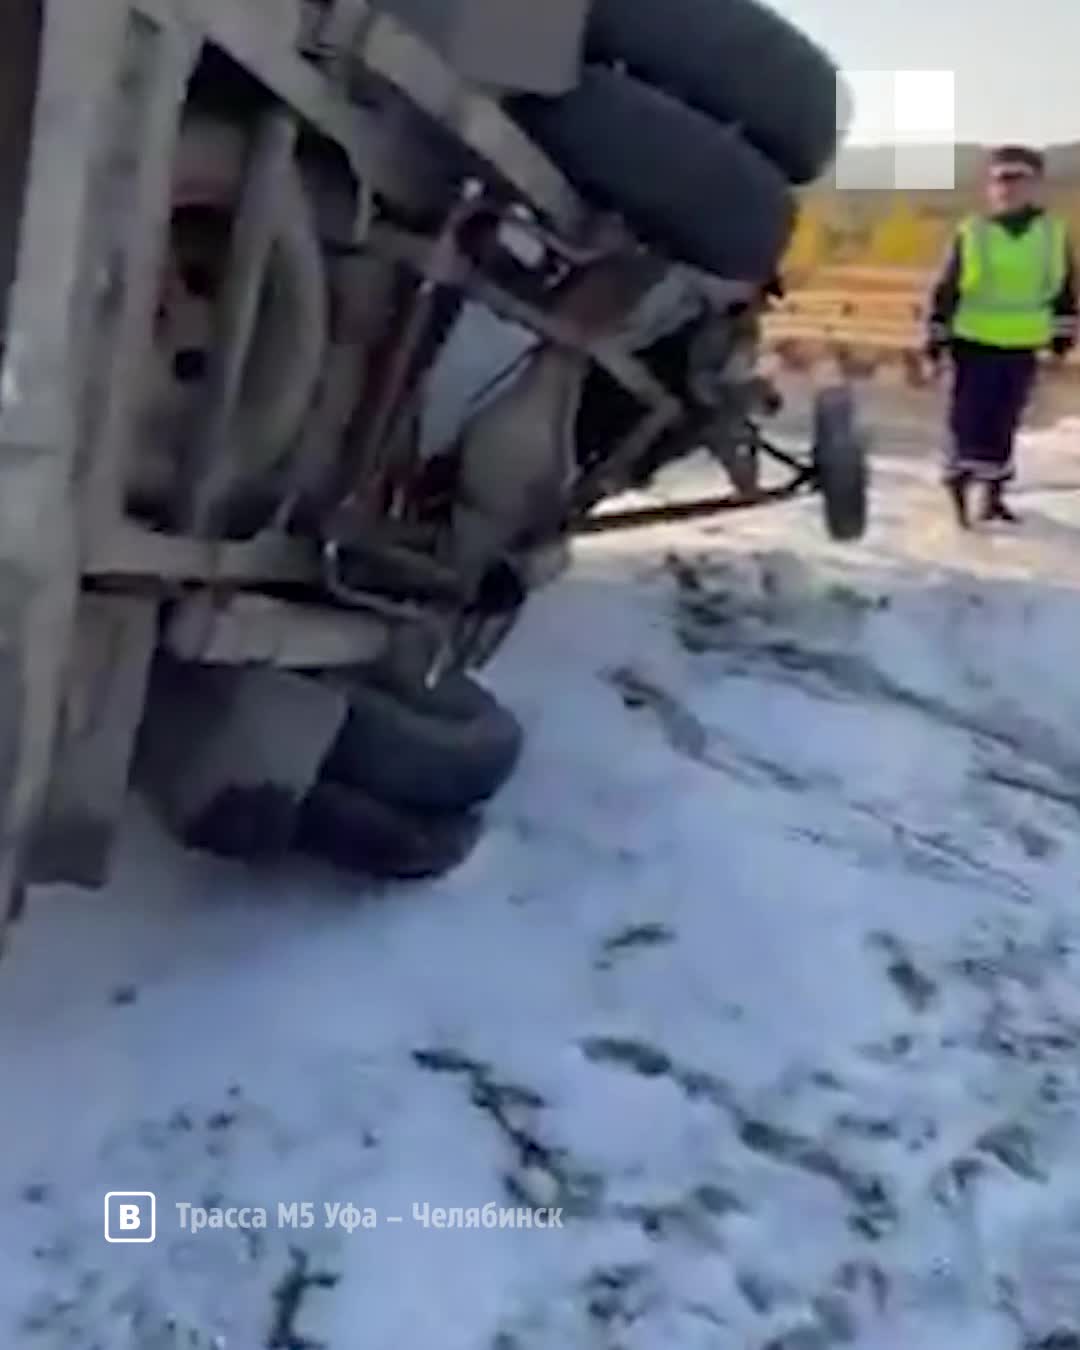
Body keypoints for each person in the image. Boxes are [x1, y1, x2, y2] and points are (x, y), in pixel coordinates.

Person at [925, 146, 1078, 526]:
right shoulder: (972, 232)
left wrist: (1062, 340)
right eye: (999, 179)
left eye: (1017, 178)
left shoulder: (1052, 233)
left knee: (1005, 420)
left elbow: (1065, 290)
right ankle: (959, 497)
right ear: (989, 186)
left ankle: (993, 497)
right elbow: (946, 288)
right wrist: (935, 338)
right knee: (967, 421)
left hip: (1023, 343)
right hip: (973, 341)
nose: (1007, 187)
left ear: (1035, 184)